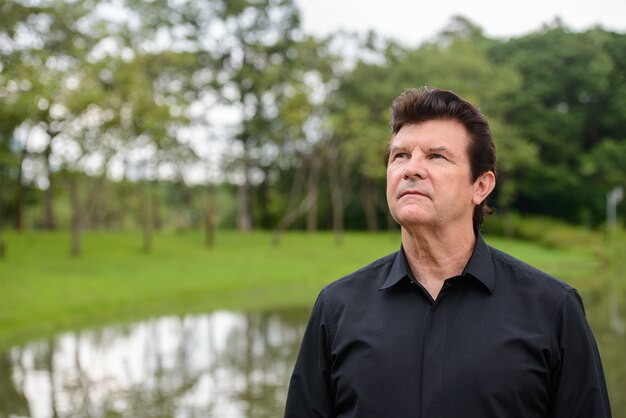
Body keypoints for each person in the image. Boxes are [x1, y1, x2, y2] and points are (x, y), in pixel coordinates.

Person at [284, 87, 611, 417]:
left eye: (435, 156)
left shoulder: (553, 309)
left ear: (480, 186)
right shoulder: (336, 308)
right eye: (400, 155)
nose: (411, 169)